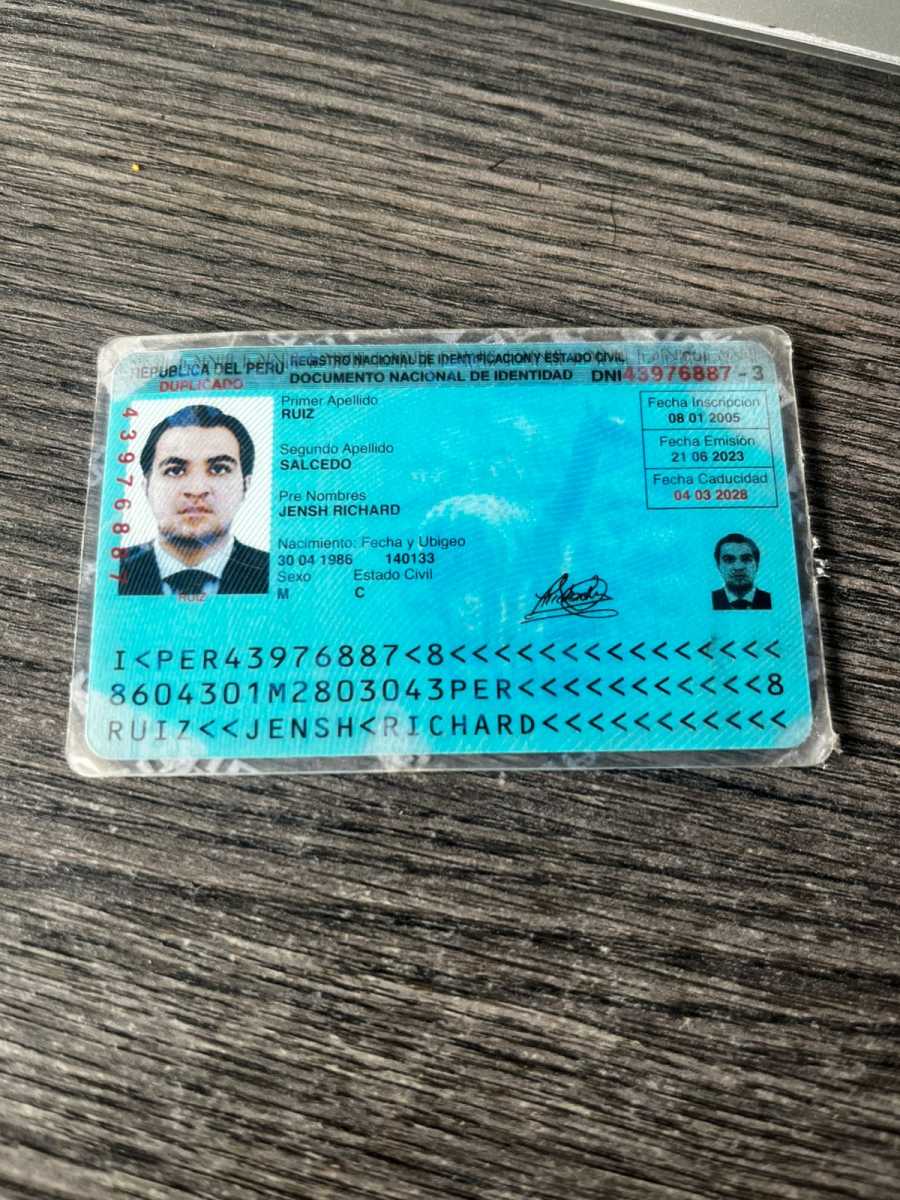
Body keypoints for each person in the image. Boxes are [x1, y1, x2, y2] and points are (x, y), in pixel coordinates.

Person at [118, 405, 268, 596]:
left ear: (245, 486)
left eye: (219, 469)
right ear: (146, 487)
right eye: (175, 471)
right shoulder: (111, 572)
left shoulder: (274, 573)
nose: (197, 490)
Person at [711, 533, 772, 610]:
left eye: (746, 559)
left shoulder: (772, 601)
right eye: (729, 560)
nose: (738, 567)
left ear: (757, 565)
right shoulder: (707, 601)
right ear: (718, 566)